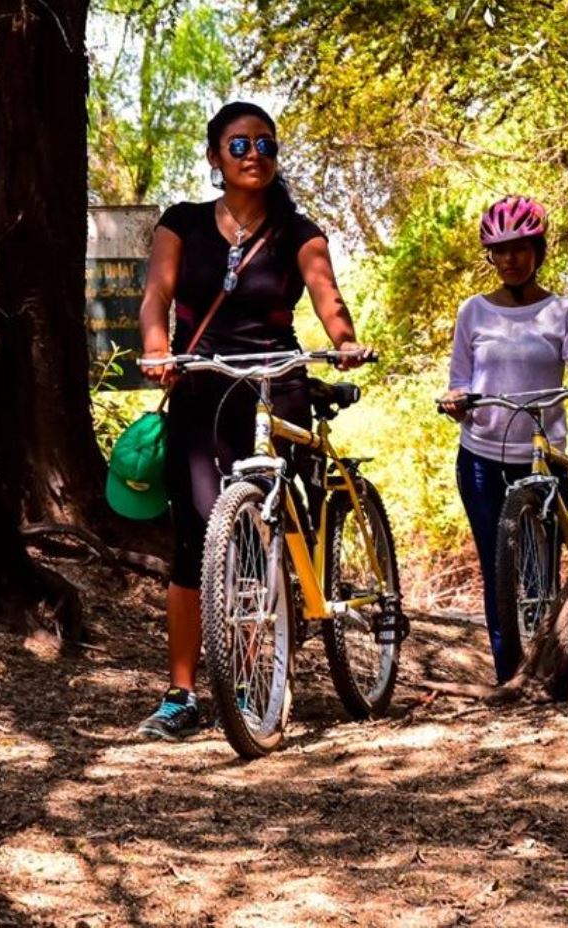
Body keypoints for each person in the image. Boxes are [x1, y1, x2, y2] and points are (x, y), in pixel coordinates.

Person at [133, 101, 370, 740]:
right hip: (201, 381)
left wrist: (344, 339)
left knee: (276, 521)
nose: (254, 156)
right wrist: (158, 349)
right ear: (214, 157)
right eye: (239, 146)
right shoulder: (181, 223)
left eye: (265, 144)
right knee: (198, 536)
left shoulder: (298, 231)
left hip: (276, 376)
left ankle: (267, 660)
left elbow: (328, 298)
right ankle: (182, 694)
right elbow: (157, 294)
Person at [437, 196, 568, 681]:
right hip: (481, 457)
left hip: (544, 462)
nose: (509, 260)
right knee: (498, 571)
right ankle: (509, 678)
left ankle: (549, 670)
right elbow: (459, 377)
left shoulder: (564, 311)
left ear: (538, 250)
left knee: (541, 574)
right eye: (498, 251)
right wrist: (456, 399)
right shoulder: (473, 312)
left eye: (519, 249)